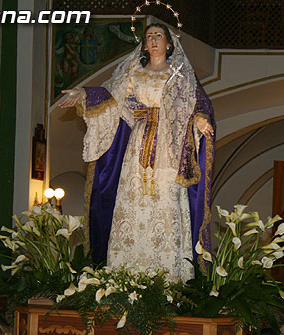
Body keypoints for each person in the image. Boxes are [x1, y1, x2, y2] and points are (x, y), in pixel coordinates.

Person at [59, 22, 215, 282]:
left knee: (166, 203)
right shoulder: (133, 73)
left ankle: (169, 278)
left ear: (168, 44)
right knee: (132, 200)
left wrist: (199, 119)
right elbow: (110, 95)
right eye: (149, 36)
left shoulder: (180, 75)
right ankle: (125, 277)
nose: (154, 40)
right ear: (144, 44)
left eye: (159, 36)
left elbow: (197, 102)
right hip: (139, 144)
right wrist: (82, 94)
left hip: (169, 147)